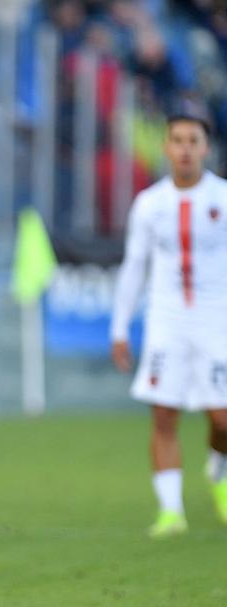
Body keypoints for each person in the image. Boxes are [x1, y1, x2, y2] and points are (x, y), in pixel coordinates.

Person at [110, 113, 227, 538]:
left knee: (222, 419)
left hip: (217, 320)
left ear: (205, 148)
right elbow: (134, 267)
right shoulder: (150, 204)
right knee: (164, 413)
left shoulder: (223, 198)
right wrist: (119, 328)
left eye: (192, 140)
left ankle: (219, 467)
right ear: (166, 147)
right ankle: (171, 511)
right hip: (168, 321)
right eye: (177, 140)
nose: (184, 148)